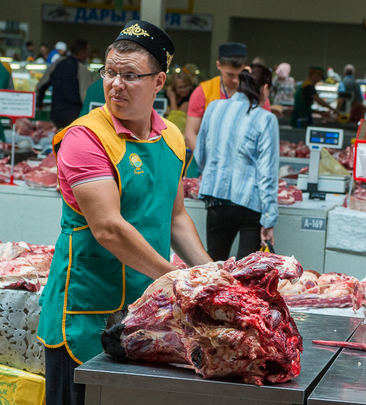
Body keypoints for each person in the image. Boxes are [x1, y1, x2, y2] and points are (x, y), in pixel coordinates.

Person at [36, 20, 212, 405]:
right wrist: (177, 280)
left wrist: (209, 275)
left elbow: (176, 216)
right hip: (86, 316)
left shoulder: (172, 137)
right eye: (110, 72)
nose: (116, 84)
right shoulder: (85, 138)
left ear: (159, 81)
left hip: (145, 314)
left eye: (130, 75)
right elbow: (109, 229)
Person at [194, 64, 278, 261]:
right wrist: (269, 219)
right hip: (249, 204)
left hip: (215, 200)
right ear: (265, 88)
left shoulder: (214, 107)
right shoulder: (266, 118)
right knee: (245, 274)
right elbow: (267, 173)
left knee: (213, 267)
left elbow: (200, 155)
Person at [185, 42, 248, 152]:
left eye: (240, 74)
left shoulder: (256, 93)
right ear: (218, 65)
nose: (236, 80)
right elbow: (191, 134)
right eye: (230, 75)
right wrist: (209, 161)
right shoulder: (203, 92)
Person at [36, 39, 96, 128]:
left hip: (56, 114)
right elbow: (85, 96)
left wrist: (39, 102)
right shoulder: (82, 69)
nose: (88, 55)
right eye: (87, 51)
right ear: (82, 52)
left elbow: (41, 85)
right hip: (74, 117)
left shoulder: (58, 62)